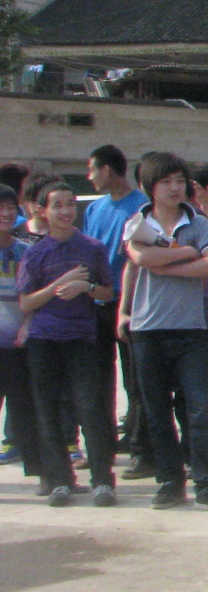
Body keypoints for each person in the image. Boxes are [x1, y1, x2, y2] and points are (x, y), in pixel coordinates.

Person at [120, 152, 208, 513]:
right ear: (148, 187)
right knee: (156, 410)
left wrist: (167, 266)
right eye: (165, 182)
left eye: (179, 181)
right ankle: (170, 481)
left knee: (200, 409)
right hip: (147, 328)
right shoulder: (137, 223)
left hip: (191, 329)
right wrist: (187, 253)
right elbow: (139, 261)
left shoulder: (198, 222)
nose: (174, 188)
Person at [18, 182, 117, 506]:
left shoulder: (92, 247)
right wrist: (59, 285)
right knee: (47, 412)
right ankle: (60, 481)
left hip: (82, 339)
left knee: (91, 409)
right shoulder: (35, 253)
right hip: (43, 341)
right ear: (42, 211)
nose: (65, 211)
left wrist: (85, 287)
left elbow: (107, 292)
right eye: (57, 205)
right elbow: (25, 302)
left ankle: (102, 480)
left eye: (70, 204)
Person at [82, 145, 150, 477]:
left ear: (107, 169)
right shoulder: (94, 209)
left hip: (132, 304)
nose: (89, 176)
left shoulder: (142, 207)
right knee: (97, 381)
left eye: (92, 169)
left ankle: (140, 449)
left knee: (136, 380)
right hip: (96, 303)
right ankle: (102, 446)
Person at [0, 186, 40, 484]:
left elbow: (36, 297)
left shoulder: (26, 252)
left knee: (25, 411)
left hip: (18, 345)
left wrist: (27, 325)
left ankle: (43, 475)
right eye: (0, 208)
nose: (5, 213)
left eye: (11, 207)